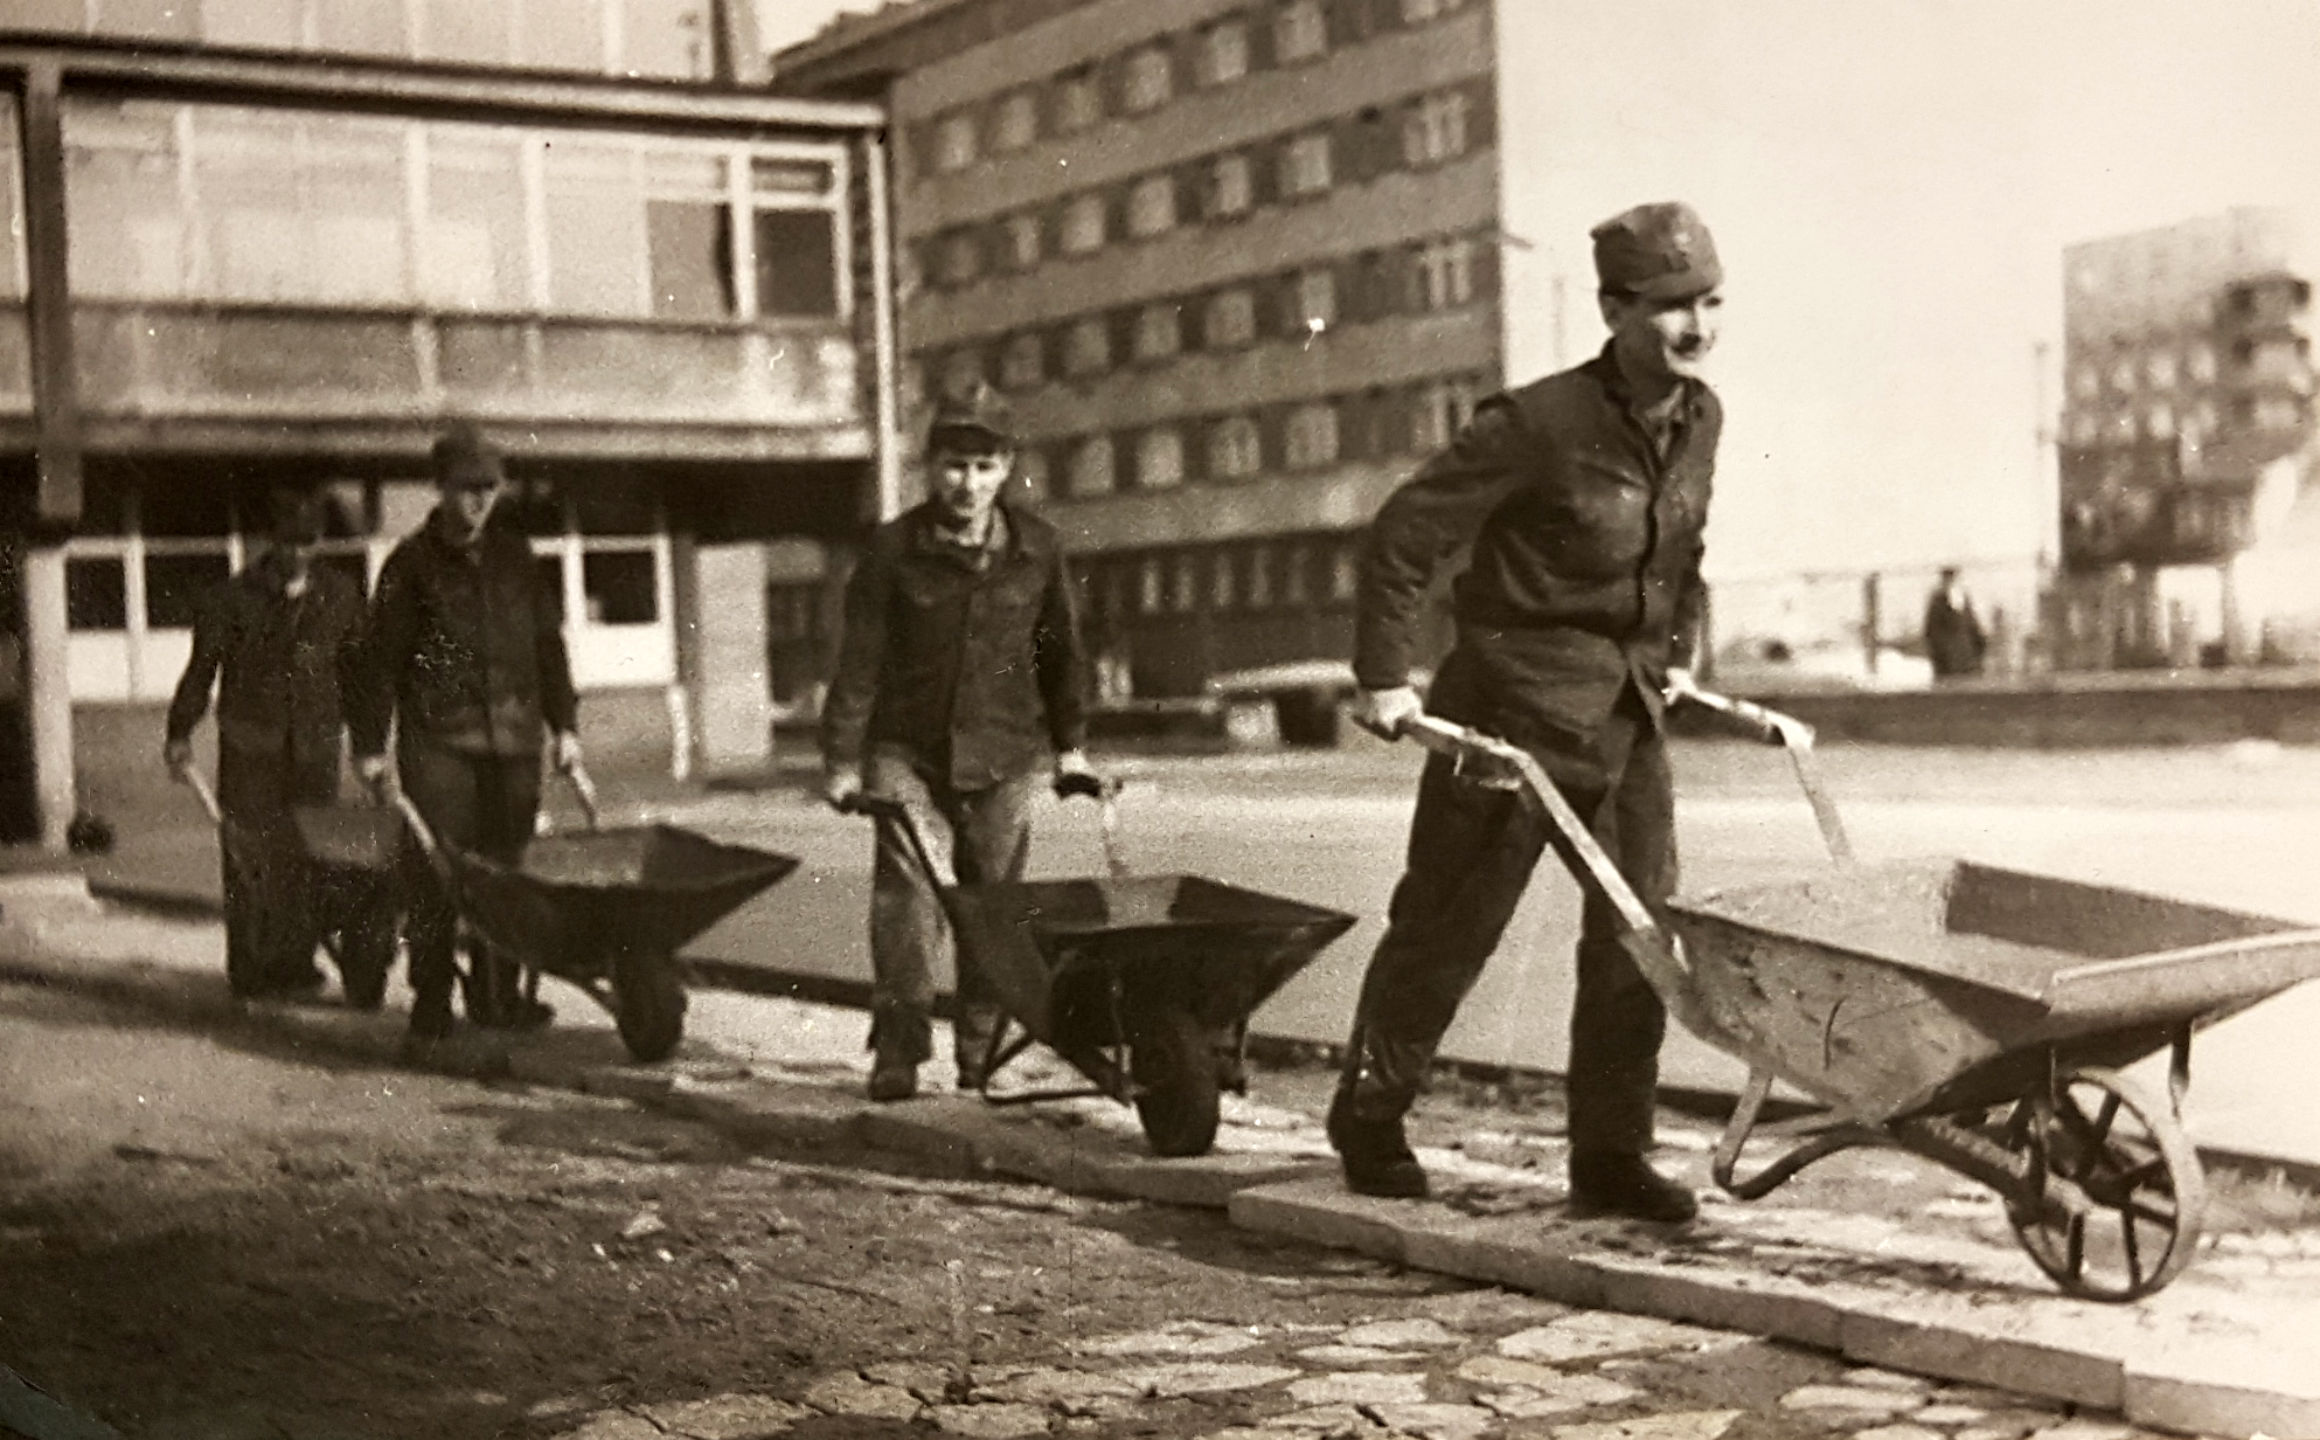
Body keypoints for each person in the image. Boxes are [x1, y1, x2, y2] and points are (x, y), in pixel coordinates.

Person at [1330, 201, 1729, 1222]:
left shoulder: (1700, 418)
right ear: (1614, 310)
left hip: (1624, 717)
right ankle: (1369, 1115)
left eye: (1710, 303)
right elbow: (1404, 536)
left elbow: (1682, 552)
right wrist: (1383, 676)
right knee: (1448, 928)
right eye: (1671, 307)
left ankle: (1610, 1154)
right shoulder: (1537, 423)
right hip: (1507, 715)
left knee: (1641, 937)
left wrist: (1677, 651)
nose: (1696, 326)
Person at [820, 382, 1101, 1102]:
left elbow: (1061, 653)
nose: (967, 484)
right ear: (930, 466)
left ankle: (981, 1053)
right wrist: (843, 761)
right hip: (906, 753)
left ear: (1005, 469)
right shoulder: (892, 549)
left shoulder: (1037, 548)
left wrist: (1071, 747)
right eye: (953, 466)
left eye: (983, 467)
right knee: (909, 901)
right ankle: (900, 1050)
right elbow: (859, 662)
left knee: (992, 908)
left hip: (1005, 755)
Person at [353, 422, 581, 1056]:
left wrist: (566, 727)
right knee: (438, 874)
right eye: (466, 488)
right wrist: (369, 747)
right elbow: (378, 663)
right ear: (441, 487)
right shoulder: (410, 566)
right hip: (440, 744)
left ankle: (497, 997)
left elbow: (549, 647)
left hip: (515, 743)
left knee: (506, 875)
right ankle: (431, 1001)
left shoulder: (517, 559)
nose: (479, 500)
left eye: (489, 488)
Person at [165, 481, 390, 1004]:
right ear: (272, 540)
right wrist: (179, 732)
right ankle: (250, 972)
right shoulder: (231, 598)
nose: (298, 553)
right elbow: (200, 672)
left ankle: (294, 965)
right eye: (289, 542)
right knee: (249, 860)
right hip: (250, 749)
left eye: (308, 542)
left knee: (308, 860)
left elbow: (360, 677)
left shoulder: (340, 596)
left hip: (316, 748)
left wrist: (369, 745)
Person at [1923, 566, 1988, 679]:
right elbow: (1932, 631)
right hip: (1948, 660)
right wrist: (1940, 653)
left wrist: (1980, 646)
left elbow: (1972, 625)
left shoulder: (1963, 598)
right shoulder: (1938, 600)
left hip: (1968, 657)